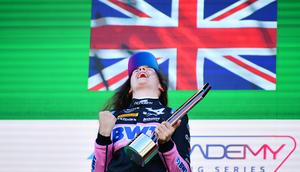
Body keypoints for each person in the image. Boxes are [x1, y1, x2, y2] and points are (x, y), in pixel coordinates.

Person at [91, 52, 191, 172]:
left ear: (161, 86)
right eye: (136, 70)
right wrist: (103, 137)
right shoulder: (112, 117)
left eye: (150, 69)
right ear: (130, 88)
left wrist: (166, 145)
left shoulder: (174, 116)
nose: (142, 69)